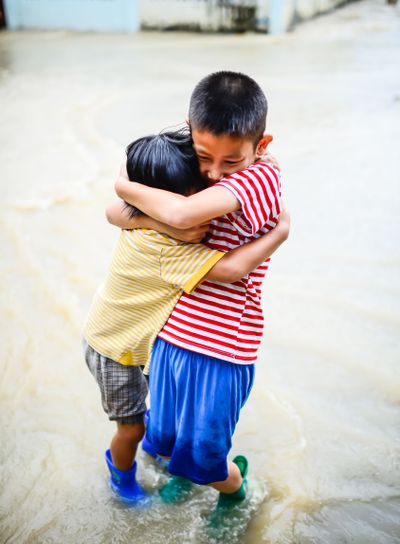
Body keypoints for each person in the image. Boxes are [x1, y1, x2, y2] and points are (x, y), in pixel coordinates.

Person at [108, 71, 285, 509]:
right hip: (172, 335)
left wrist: (124, 183)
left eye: (231, 161)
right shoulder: (192, 159)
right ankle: (183, 477)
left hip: (224, 349)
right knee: (164, 437)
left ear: (261, 148)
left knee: (206, 456)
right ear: (190, 128)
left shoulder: (257, 179)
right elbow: (115, 213)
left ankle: (236, 493)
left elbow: (184, 216)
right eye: (205, 156)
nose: (213, 172)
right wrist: (143, 208)